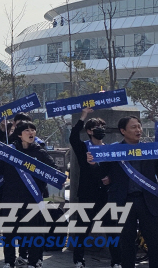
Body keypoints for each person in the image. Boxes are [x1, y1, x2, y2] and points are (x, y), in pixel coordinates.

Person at [91, 116, 158, 268]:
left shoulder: (150, 150)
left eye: (139, 126)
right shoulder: (114, 151)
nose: (138, 130)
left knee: (154, 241)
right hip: (123, 201)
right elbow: (102, 174)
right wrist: (93, 164)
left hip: (148, 201)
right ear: (123, 131)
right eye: (134, 127)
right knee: (126, 243)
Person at [0, 121, 56, 268]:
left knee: (32, 234)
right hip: (10, 198)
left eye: (33, 130)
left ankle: (32, 262)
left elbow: (53, 171)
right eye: (27, 130)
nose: (31, 132)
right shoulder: (9, 152)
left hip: (33, 199)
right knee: (9, 233)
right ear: (19, 134)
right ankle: (9, 262)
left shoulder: (40, 152)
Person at [69, 108, 118, 268]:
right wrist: (83, 116)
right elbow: (72, 136)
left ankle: (116, 261)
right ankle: (78, 260)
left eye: (102, 127)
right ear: (89, 131)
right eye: (97, 127)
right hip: (87, 194)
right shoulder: (83, 147)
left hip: (106, 194)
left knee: (112, 229)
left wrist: (110, 178)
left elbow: (114, 169)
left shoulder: (110, 149)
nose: (101, 130)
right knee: (83, 229)